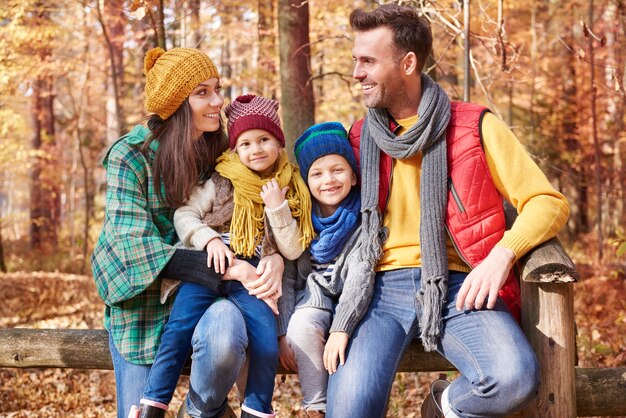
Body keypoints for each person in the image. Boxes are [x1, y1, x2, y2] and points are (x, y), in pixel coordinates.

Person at [324, 4, 571, 418]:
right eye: (355, 60)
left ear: (408, 63)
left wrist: (502, 254)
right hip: (379, 290)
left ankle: (443, 405)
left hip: (459, 286)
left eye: (368, 61)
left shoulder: (474, 126)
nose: (356, 73)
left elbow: (548, 202)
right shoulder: (358, 136)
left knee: (513, 379)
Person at [91, 47, 276, 418]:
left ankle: (199, 411)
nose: (217, 102)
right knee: (140, 411)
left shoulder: (223, 152)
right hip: (143, 305)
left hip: (208, 295)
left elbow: (256, 208)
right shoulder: (130, 155)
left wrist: (273, 257)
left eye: (217, 89)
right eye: (202, 92)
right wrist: (230, 267)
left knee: (226, 332)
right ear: (176, 103)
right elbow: (132, 247)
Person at [134, 94, 315, 418]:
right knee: (178, 329)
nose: (255, 149)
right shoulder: (220, 180)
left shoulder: (290, 186)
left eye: (264, 140)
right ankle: (153, 403)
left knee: (265, 340)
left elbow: (291, 248)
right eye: (245, 143)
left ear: (279, 142)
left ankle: (257, 409)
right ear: (235, 149)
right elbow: (185, 215)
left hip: (252, 277)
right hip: (208, 267)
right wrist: (209, 240)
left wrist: (277, 207)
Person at [277, 122, 376, 418]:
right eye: (317, 174)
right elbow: (289, 277)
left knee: (360, 348)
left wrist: (341, 328)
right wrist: (282, 332)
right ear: (306, 181)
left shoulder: (365, 217)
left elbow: (361, 275)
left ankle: (351, 404)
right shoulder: (302, 219)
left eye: (338, 170)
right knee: (301, 327)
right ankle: (316, 407)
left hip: (359, 304)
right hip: (315, 297)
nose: (328, 180)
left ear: (354, 176)